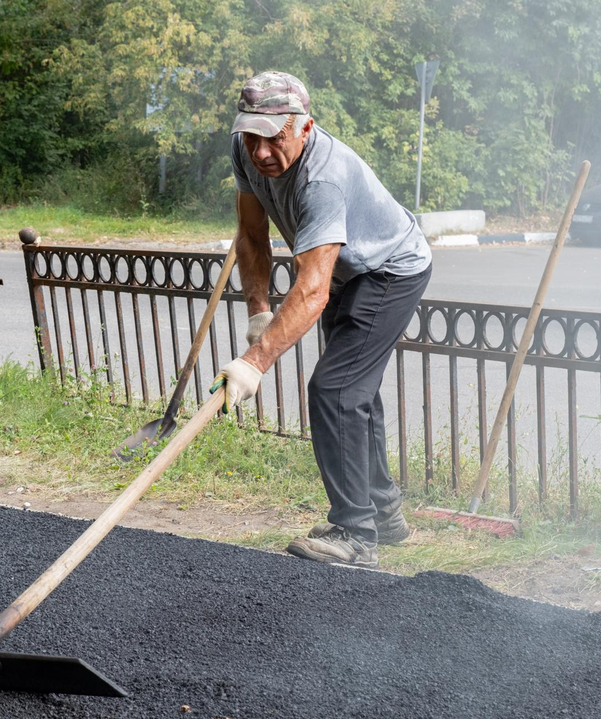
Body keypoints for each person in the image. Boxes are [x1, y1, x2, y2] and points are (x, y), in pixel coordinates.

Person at [211, 71, 432, 568]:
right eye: (251, 137)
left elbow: (311, 289)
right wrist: (259, 312)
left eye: (274, 138)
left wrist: (255, 361)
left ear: (304, 128)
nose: (261, 151)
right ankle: (383, 510)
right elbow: (251, 233)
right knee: (354, 393)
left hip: (389, 270)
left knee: (335, 390)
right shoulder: (245, 151)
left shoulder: (322, 178)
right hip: (343, 272)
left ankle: (355, 534)